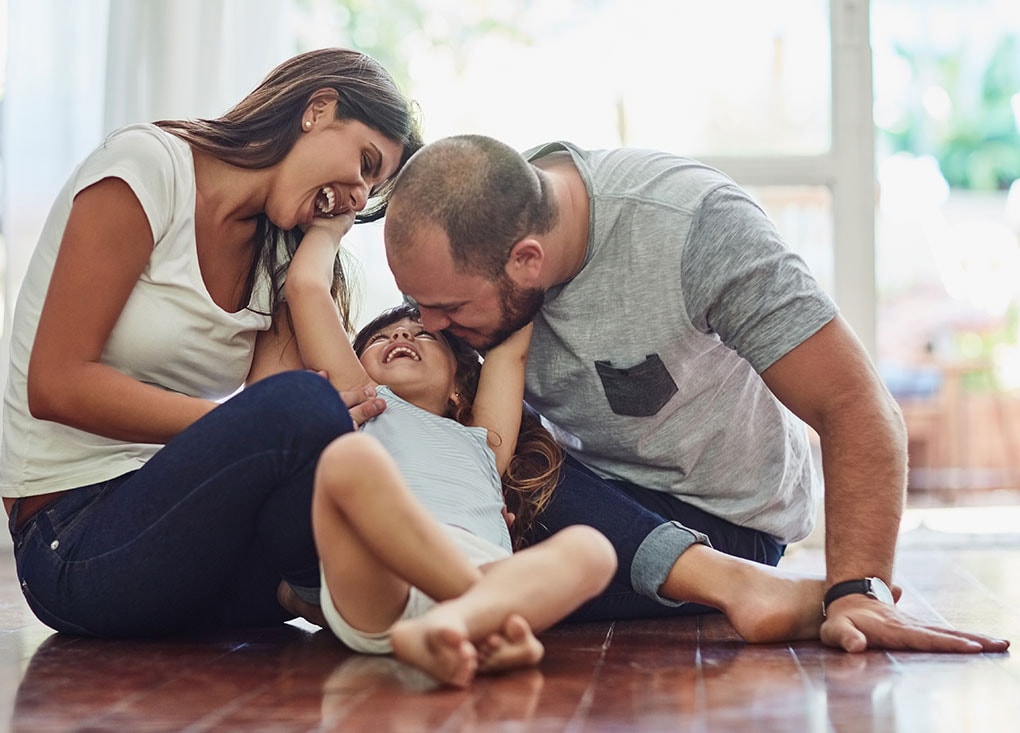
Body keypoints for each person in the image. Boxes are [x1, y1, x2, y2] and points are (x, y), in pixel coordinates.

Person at [380, 134, 1011, 654]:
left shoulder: (694, 228)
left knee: (448, 566)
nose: (430, 326)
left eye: (447, 310)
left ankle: (748, 586)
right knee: (449, 519)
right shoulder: (478, 232)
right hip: (581, 500)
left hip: (721, 524)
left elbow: (854, 404)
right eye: (417, 307)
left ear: (526, 260)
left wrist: (858, 587)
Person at [0, 48, 423, 637]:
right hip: (75, 544)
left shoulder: (279, 254)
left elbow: (333, 421)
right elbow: (55, 384)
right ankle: (359, 601)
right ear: (318, 110)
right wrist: (235, 428)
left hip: (191, 554)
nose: (356, 197)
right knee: (303, 410)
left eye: (371, 189)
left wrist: (307, 274)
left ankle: (356, 596)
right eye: (365, 162)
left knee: (333, 439)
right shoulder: (149, 166)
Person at [284, 209, 617, 686]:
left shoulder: (485, 441)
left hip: (480, 562)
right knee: (347, 459)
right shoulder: (371, 404)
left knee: (593, 550)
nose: (401, 334)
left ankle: (452, 628)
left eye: (423, 334)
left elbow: (511, 343)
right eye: (380, 338)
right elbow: (307, 291)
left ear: (461, 385)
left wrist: (520, 237)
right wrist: (330, 226)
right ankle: (479, 620)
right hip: (385, 574)